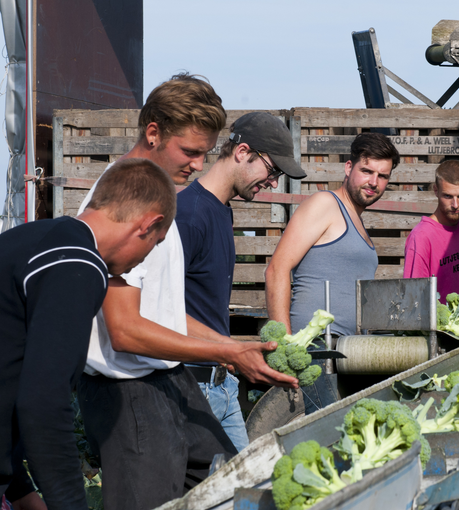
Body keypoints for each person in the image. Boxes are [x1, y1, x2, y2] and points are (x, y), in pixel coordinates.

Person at [75, 74, 297, 510]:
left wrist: (232, 344)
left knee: (235, 487)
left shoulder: (164, 196)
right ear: (153, 133)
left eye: (203, 153)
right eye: (190, 152)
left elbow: (166, 312)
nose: (198, 165)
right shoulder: (118, 199)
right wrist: (222, 354)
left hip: (169, 379)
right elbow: (124, 330)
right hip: (127, 391)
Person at [0, 159, 176, 510]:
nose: (142, 261)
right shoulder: (78, 263)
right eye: (155, 244)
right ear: (149, 224)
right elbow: (44, 402)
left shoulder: (26, 240)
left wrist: (20, 493)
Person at [176, 111, 306, 452]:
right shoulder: (187, 216)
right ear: (243, 152)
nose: (274, 182)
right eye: (273, 169)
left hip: (222, 386)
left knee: (245, 492)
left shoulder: (222, 210)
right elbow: (161, 311)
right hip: (190, 387)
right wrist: (233, 351)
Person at [265, 132, 399, 412]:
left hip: (346, 353)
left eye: (383, 176)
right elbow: (277, 269)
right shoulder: (325, 204)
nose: (374, 182)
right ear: (348, 168)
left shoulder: (357, 221)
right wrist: (285, 347)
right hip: (313, 351)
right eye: (367, 171)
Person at [403, 160, 459, 300]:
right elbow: (412, 295)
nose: (455, 205)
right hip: (441, 321)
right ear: (436, 190)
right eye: (448, 196)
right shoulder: (421, 237)